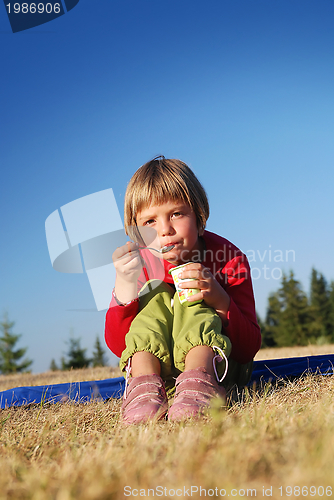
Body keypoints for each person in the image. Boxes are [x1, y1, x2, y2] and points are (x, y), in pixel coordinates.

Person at [105, 156, 261, 424]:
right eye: (149, 222)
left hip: (222, 369)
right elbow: (120, 345)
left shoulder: (229, 259)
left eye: (176, 214)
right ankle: (143, 386)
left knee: (192, 291)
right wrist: (124, 286)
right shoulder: (140, 267)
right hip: (162, 378)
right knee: (156, 297)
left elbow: (248, 348)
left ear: (199, 217)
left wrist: (220, 300)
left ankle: (199, 379)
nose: (165, 230)